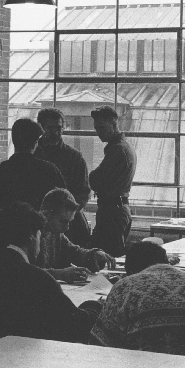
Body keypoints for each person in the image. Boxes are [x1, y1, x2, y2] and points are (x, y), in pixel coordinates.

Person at [0, 202, 99, 343]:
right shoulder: (37, 278)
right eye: (40, 235)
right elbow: (77, 326)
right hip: (21, 362)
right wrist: (95, 305)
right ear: (32, 236)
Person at [35, 107, 92, 247]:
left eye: (59, 128)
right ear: (41, 128)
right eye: (50, 128)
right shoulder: (33, 154)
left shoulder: (74, 157)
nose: (56, 132)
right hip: (37, 222)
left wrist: (66, 216)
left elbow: (83, 192)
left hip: (68, 224)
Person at [0, 118, 66, 210]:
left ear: (13, 140)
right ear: (35, 143)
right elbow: (62, 204)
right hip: (38, 224)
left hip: (6, 224)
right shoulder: (49, 170)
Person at [88, 106, 137, 257]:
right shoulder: (124, 146)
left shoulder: (116, 150)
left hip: (112, 212)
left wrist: (91, 176)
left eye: (102, 127)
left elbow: (95, 180)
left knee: (106, 258)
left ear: (114, 124)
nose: (98, 133)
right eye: (96, 128)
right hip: (118, 208)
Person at [37, 188, 114, 283]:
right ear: (46, 214)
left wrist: (94, 254)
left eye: (69, 222)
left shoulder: (56, 234)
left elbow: (74, 253)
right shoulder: (29, 234)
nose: (67, 228)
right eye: (63, 221)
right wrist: (60, 274)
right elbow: (26, 271)